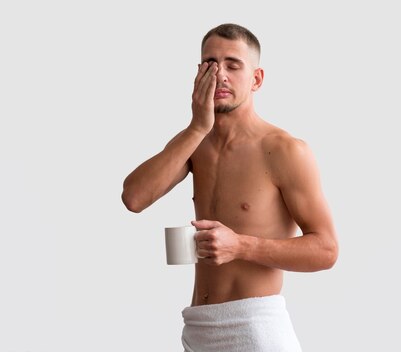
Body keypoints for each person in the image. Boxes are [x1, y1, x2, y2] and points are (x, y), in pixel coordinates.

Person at [121, 23, 338, 351]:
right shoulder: (196, 141)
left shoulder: (284, 149)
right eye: (210, 63)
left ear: (257, 79)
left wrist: (240, 246)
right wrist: (196, 128)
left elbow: (326, 249)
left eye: (233, 65)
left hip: (255, 329)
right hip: (198, 328)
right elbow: (134, 197)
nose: (220, 74)